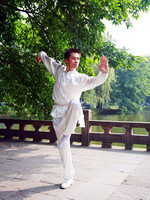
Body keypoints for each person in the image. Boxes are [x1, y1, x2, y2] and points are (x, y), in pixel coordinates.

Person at [37, 48, 109, 189]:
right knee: (63, 147)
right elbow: (46, 57)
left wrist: (104, 73)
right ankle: (69, 176)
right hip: (58, 112)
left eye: (78, 59)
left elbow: (95, 81)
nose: (76, 61)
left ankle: (67, 134)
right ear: (67, 60)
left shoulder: (80, 78)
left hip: (72, 112)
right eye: (74, 58)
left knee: (75, 102)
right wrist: (39, 55)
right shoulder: (58, 70)